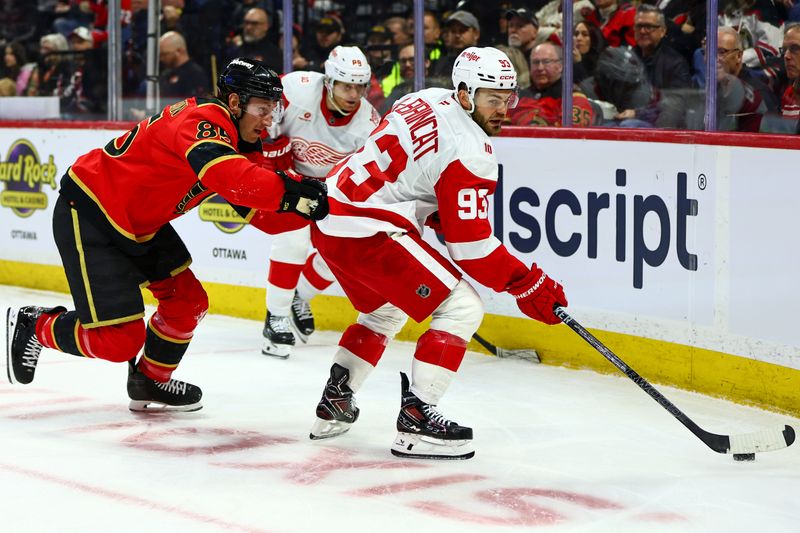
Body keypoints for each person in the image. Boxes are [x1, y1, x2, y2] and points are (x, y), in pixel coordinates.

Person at [5, 58, 328, 412]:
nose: (269, 120)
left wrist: (329, 214)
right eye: (262, 108)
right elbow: (234, 178)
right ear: (234, 102)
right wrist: (297, 193)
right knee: (118, 343)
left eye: (273, 110)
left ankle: (150, 380)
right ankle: (36, 325)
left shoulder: (243, 137)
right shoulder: (202, 119)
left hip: (142, 224)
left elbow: (262, 215)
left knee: (188, 304)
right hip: (91, 212)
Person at [307, 46, 568, 459]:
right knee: (463, 307)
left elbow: (413, 173)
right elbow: (472, 249)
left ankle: (336, 402)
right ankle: (418, 420)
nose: (502, 109)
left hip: (329, 219)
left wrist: (438, 213)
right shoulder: (471, 151)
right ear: (465, 94)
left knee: (384, 311)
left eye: (508, 98)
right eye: (491, 98)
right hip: (369, 230)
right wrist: (525, 282)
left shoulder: (423, 97)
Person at [260, 45, 380, 358]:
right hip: (287, 179)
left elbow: (365, 180)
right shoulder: (295, 89)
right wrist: (270, 151)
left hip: (332, 189)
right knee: (293, 239)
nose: (354, 94)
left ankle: (301, 295)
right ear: (328, 82)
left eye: (359, 86)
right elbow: (262, 125)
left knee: (343, 252)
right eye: (346, 85)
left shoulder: (368, 125)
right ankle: (276, 316)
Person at [510, 42, 595, 127]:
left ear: (560, 66)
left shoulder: (573, 98)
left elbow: (571, 135)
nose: (540, 68)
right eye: (535, 62)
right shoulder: (517, 97)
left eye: (546, 62)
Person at [226, 7, 283, 74]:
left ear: (266, 26)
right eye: (246, 23)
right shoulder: (234, 50)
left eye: (254, 23)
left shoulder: (275, 54)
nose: (248, 27)